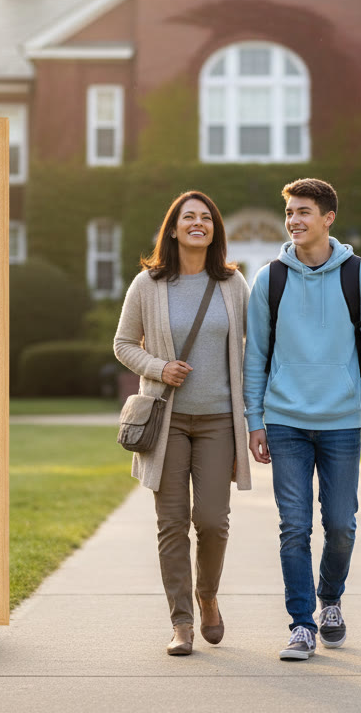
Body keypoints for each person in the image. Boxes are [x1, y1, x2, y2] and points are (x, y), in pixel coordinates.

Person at [243, 177, 361, 661]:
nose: (294, 220)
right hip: (285, 420)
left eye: (303, 211)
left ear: (328, 218)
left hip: (341, 422)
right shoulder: (270, 279)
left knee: (341, 525)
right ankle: (302, 624)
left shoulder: (359, 276)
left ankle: (330, 599)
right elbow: (255, 357)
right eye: (289, 212)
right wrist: (254, 420)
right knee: (294, 527)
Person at [114, 190, 253, 656]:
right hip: (166, 421)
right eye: (188, 217)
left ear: (215, 230)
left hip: (219, 420)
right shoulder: (147, 284)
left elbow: (254, 348)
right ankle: (181, 623)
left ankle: (207, 595)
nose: (198, 223)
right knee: (171, 523)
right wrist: (158, 367)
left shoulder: (233, 284)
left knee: (212, 521)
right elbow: (122, 343)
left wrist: (256, 415)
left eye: (206, 218)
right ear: (172, 230)